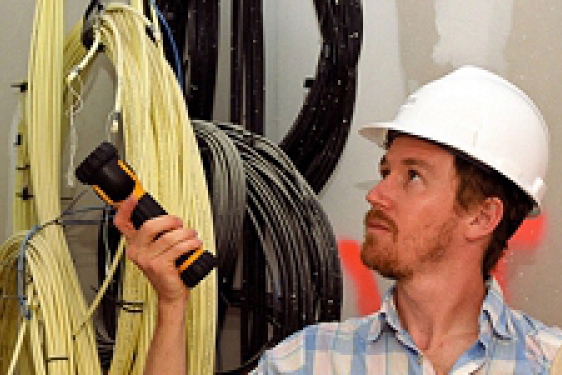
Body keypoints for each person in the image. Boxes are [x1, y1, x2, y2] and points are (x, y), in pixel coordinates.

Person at [114, 65, 562, 374]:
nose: (377, 193)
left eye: (413, 177)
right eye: (386, 170)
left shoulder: (549, 362)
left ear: (482, 216)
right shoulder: (309, 360)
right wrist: (173, 308)